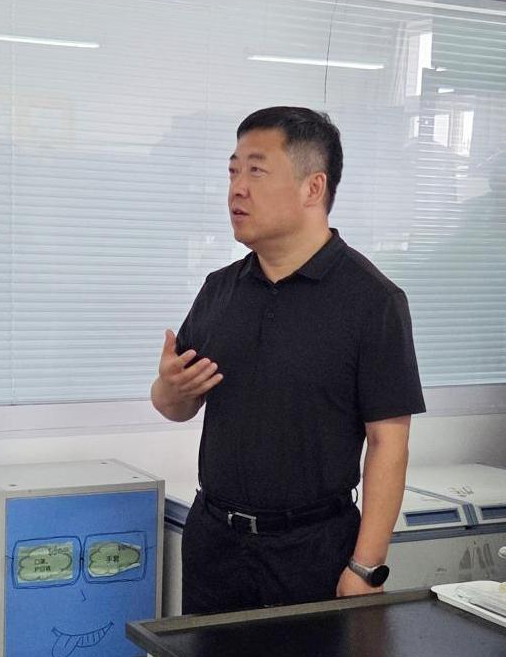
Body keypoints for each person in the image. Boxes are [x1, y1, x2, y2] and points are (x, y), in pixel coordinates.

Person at [151, 106, 426, 615]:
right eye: (233, 171)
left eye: (256, 171)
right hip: (215, 541)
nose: (237, 189)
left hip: (313, 549)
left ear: (312, 188)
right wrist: (169, 389)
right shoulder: (220, 289)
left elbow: (389, 442)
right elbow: (174, 404)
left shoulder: (372, 301)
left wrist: (366, 566)